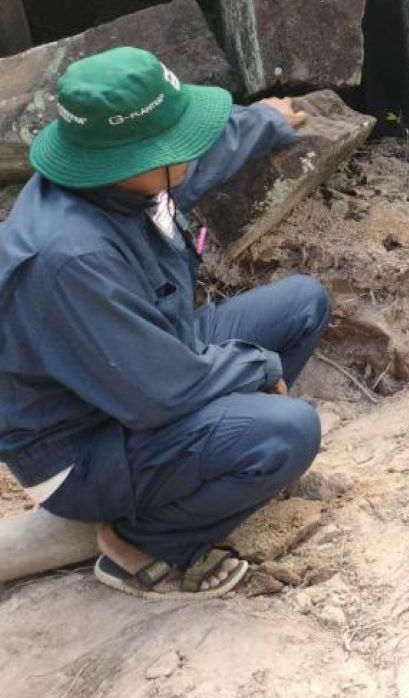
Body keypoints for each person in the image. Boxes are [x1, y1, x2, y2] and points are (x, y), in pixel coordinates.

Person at [0, 47, 331, 599]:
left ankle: (198, 474)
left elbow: (198, 163)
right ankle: (144, 542)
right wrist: (257, 370)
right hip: (84, 445)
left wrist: (264, 122)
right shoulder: (71, 260)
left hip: (143, 364)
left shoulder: (112, 179)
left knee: (303, 303)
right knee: (290, 430)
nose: (191, 147)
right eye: (177, 141)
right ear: (137, 161)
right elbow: (162, 392)